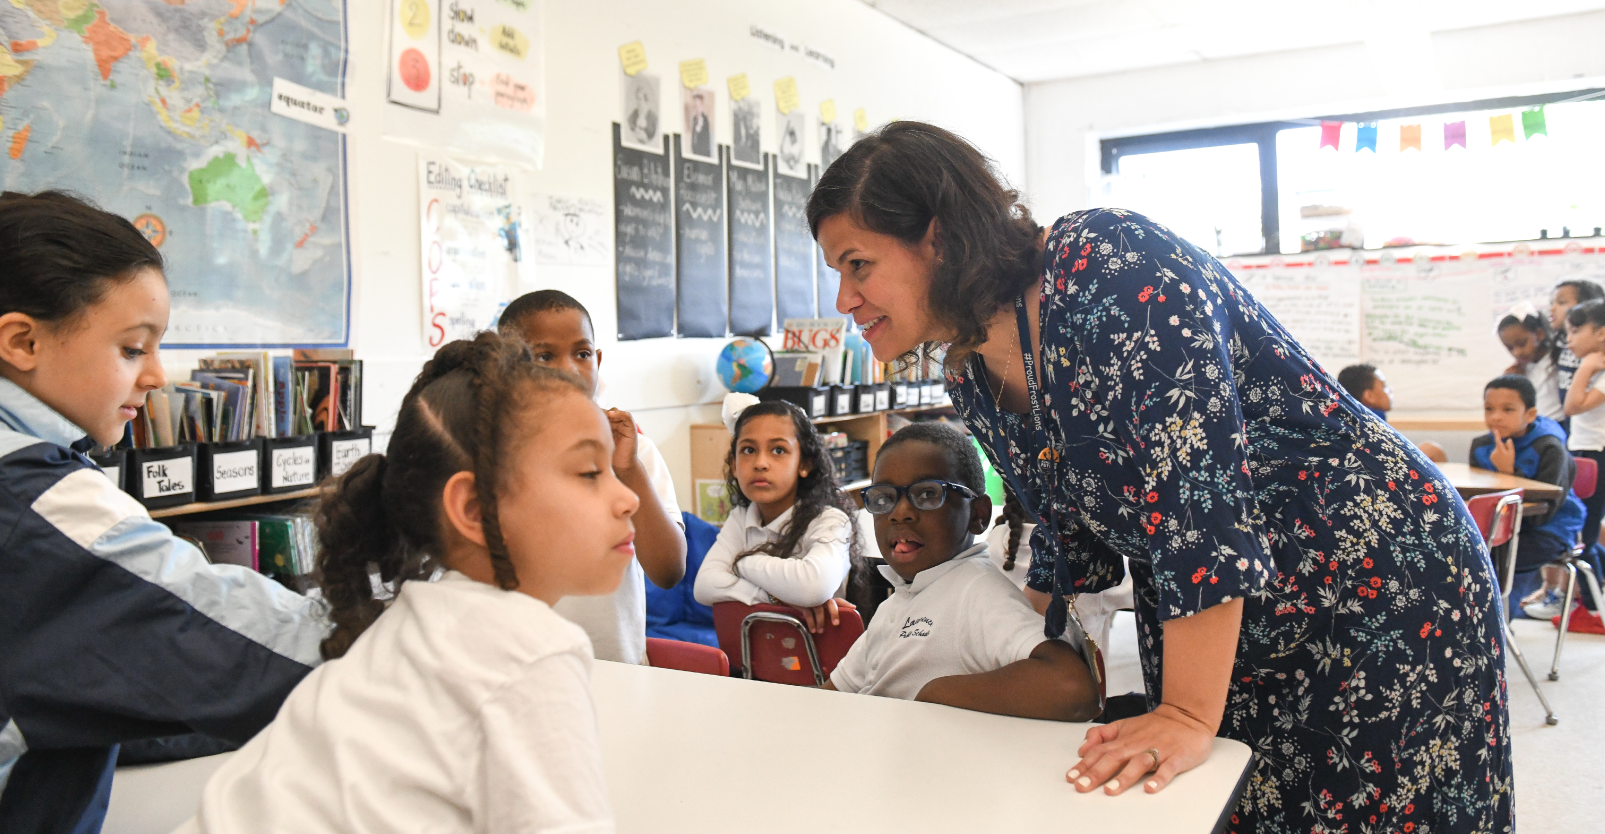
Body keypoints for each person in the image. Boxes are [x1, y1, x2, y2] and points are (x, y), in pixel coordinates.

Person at [808, 122, 1510, 830]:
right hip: (1216, 616)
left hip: (1370, 579)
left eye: (857, 264)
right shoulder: (969, 366)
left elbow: (1196, 504)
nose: (845, 298)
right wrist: (1003, 652)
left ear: (936, 236)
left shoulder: (1108, 262)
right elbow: (1065, 534)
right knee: (1228, 804)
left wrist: (1182, 711)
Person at [179, 333, 636, 833]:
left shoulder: (416, 622)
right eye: (590, 472)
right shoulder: (529, 652)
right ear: (474, 510)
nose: (627, 499)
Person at [0, 191, 325, 833]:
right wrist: (421, 628)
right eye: (132, 349)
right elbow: (262, 650)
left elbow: (84, 681)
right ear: (23, 340)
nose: (157, 376)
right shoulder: (32, 504)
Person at [825, 423, 1100, 721]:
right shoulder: (899, 600)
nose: (899, 512)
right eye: (883, 498)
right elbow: (835, 692)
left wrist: (934, 693)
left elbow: (1073, 689)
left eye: (928, 494)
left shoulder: (976, 590)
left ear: (977, 515)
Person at [497, 290, 685, 664]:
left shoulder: (635, 452)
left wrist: (628, 470)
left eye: (582, 354)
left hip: (616, 669)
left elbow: (668, 570)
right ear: (506, 368)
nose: (569, 369)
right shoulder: (494, 454)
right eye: (545, 356)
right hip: (521, 670)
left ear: (598, 361)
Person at [693, 395, 861, 633]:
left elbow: (814, 586)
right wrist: (776, 598)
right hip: (757, 659)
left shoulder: (830, 520)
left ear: (804, 464)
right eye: (749, 450)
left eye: (778, 450)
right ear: (733, 464)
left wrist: (742, 563)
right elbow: (705, 585)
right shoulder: (742, 517)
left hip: (822, 661)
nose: (760, 463)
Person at [1470, 375, 1589, 619]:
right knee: (1466, 559)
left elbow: (1542, 515)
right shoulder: (1481, 446)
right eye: (1489, 409)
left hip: (1550, 529)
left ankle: (1497, 631)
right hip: (1499, 529)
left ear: (1531, 414)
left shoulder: (1550, 448)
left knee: (1495, 565)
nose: (1496, 417)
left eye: (1508, 409)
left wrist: (1507, 474)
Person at [1559, 298, 1605, 632]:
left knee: (1585, 535)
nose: (1569, 339)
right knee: (1585, 533)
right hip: (1584, 454)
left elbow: (1573, 406)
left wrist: (1587, 367)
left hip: (1596, 456)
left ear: (1601, 334)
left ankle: (1594, 610)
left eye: (1576, 331)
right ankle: (1591, 604)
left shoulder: (1599, 370)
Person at [1498, 305, 1566, 422]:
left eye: (1522, 343)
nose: (1517, 352)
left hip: (1557, 426)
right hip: (1534, 427)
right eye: (1510, 348)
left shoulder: (1557, 360)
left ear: (1539, 334)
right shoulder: (1520, 370)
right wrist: (1511, 383)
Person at [1550, 278, 1605, 407]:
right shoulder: (1561, 342)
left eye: (1561, 302)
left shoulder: (1594, 354)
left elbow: (1572, 407)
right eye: (1552, 302)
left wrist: (1586, 368)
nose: (1552, 308)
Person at [688, 90, 712, 159]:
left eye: (698, 105)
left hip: (703, 155)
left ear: (701, 105)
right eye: (695, 105)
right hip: (694, 153)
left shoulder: (705, 119)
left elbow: (706, 141)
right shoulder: (694, 119)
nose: (696, 108)